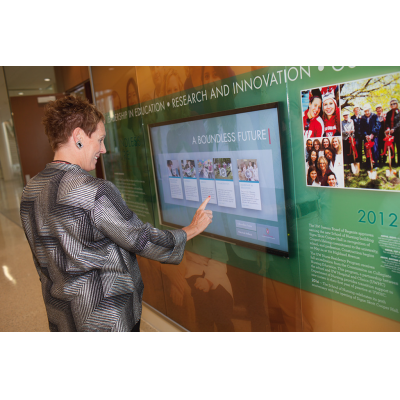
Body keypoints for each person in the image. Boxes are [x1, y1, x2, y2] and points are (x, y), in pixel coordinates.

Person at [19, 96, 213, 332]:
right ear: (78, 137)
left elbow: (43, 263)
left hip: (62, 316)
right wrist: (190, 230)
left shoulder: (31, 191)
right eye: (100, 140)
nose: (104, 149)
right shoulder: (95, 191)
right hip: (107, 317)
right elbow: (141, 239)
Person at [360, 103, 381, 168]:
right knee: (367, 151)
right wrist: (366, 135)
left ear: (370, 110)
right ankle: (368, 164)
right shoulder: (363, 118)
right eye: (365, 111)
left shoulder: (374, 116)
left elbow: (377, 126)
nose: (367, 112)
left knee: (374, 150)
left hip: (374, 136)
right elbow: (362, 128)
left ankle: (376, 164)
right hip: (366, 137)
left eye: (368, 111)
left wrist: (372, 134)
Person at [385, 98, 400, 166]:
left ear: (397, 104)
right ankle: (393, 163)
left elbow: (399, 123)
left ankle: (399, 163)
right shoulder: (388, 113)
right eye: (391, 104)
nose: (393, 105)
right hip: (391, 133)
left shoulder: (399, 112)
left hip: (398, 132)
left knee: (399, 147)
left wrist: (394, 128)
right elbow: (387, 122)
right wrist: (388, 128)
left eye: (394, 103)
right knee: (391, 148)